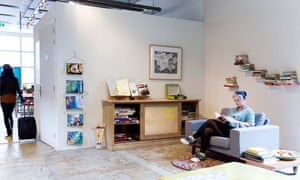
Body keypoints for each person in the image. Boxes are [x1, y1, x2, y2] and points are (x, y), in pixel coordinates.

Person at [180, 90, 255, 160]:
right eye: (235, 101)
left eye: (238, 100)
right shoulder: (233, 109)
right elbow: (228, 120)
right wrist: (223, 119)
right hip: (225, 128)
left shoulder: (249, 111)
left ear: (244, 99)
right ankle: (202, 154)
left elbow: (251, 125)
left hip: (234, 132)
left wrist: (238, 122)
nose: (236, 103)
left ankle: (193, 137)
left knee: (210, 121)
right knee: (207, 130)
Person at [0, 64, 23, 138]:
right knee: (10, 114)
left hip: (4, 98)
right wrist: (21, 98)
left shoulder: (1, 78)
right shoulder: (15, 79)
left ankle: (9, 132)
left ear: (3, 70)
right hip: (12, 98)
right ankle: (12, 128)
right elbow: (18, 90)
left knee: (5, 116)